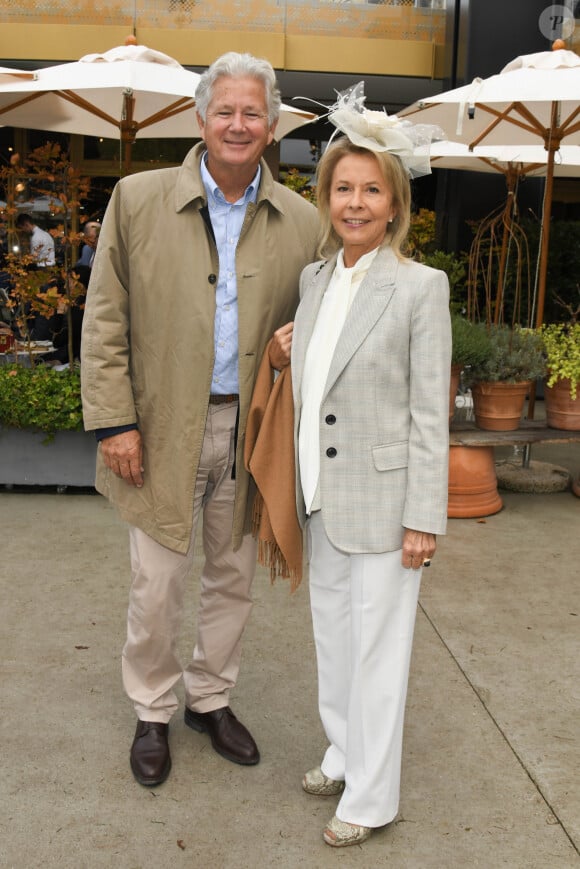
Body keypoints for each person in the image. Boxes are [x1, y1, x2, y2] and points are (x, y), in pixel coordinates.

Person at [81, 51, 319, 788]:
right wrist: (115, 421)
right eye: (226, 110)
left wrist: (296, 348)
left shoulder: (304, 221)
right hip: (158, 427)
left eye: (253, 112)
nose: (238, 124)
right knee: (156, 582)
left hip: (249, 430)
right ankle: (152, 708)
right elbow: (104, 316)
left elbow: (322, 322)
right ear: (200, 118)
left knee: (232, 577)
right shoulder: (138, 198)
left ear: (272, 125)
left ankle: (210, 698)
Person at [290, 89, 451, 847]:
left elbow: (430, 410)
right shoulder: (316, 280)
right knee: (334, 637)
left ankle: (373, 796)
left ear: (394, 204)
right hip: (322, 497)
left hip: (388, 506)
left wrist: (425, 514)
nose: (355, 202)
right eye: (342, 188)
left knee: (381, 652)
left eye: (370, 190)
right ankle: (343, 751)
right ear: (326, 199)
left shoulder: (422, 288)